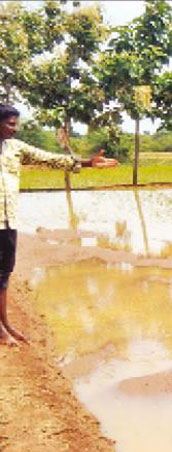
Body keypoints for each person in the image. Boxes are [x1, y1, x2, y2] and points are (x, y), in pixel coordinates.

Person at [0, 103, 117, 346]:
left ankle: (5, 323)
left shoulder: (15, 148)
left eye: (16, 123)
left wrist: (86, 163)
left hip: (8, 220)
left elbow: (49, 159)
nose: (15, 128)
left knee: (4, 274)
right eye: (10, 123)